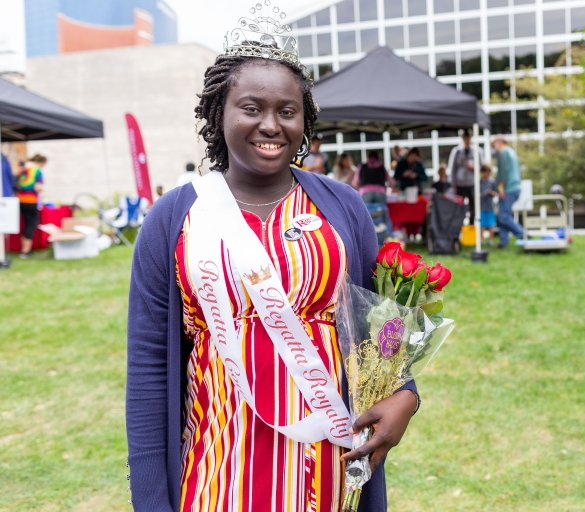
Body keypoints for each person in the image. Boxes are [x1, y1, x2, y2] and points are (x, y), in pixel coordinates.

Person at [126, 12, 419, 512]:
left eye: (288, 110)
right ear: (220, 111)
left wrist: (405, 393)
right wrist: (152, 499)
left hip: (328, 467)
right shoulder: (173, 218)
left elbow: (379, 325)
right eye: (251, 107)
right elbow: (150, 369)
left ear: (304, 119)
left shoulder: (343, 207)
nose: (270, 124)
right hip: (218, 468)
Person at [492, 135, 524, 247]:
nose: (493, 146)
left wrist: (500, 187)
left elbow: (503, 171)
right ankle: (503, 241)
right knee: (503, 215)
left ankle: (523, 234)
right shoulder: (511, 152)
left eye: (494, 143)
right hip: (515, 187)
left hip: (508, 188)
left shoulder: (503, 152)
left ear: (499, 142)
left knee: (504, 216)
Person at [447, 130, 483, 224]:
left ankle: (471, 227)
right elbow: (452, 169)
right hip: (460, 184)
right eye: (465, 138)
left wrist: (474, 167)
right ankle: (459, 228)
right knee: (459, 207)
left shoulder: (477, 151)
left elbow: (482, 167)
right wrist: (453, 185)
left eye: (468, 137)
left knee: (473, 207)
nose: (467, 140)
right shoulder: (457, 151)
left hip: (472, 184)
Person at [16, 154, 45, 258]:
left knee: (26, 223)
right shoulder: (37, 171)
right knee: (31, 224)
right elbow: (38, 187)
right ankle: (26, 251)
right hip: (31, 200)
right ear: (42, 162)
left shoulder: (24, 169)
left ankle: (24, 249)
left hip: (21, 200)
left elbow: (18, 184)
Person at [479, 165, 498, 245]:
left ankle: (491, 240)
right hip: (481, 207)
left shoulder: (492, 182)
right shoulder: (478, 182)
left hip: (490, 206)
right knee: (481, 225)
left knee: (491, 224)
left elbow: (496, 193)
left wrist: (491, 193)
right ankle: (481, 240)